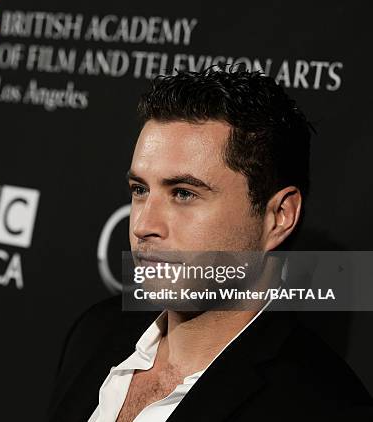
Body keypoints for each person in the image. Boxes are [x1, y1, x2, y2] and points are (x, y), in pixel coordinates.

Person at [48, 68, 373, 421]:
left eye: (184, 194)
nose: (143, 226)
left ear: (279, 216)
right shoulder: (95, 333)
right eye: (140, 190)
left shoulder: (323, 408)